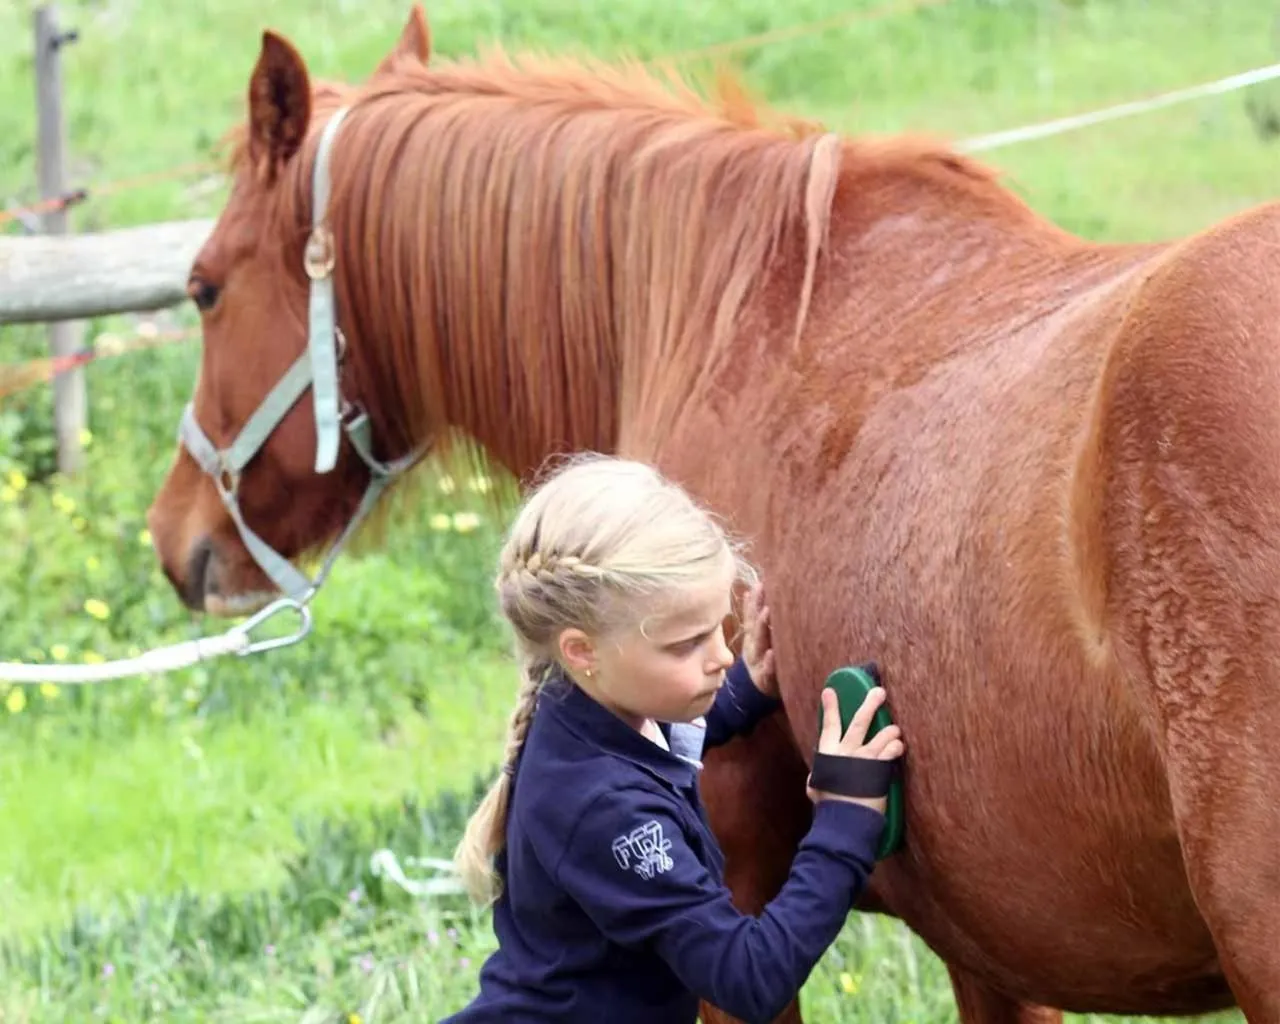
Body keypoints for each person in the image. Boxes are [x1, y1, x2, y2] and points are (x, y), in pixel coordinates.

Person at [440, 454, 905, 1024]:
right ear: (582, 651)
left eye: (717, 627)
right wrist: (845, 820)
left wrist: (741, 693)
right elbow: (749, 977)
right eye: (687, 644)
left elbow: (660, 748)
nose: (722, 655)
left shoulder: (585, 706)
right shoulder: (605, 812)